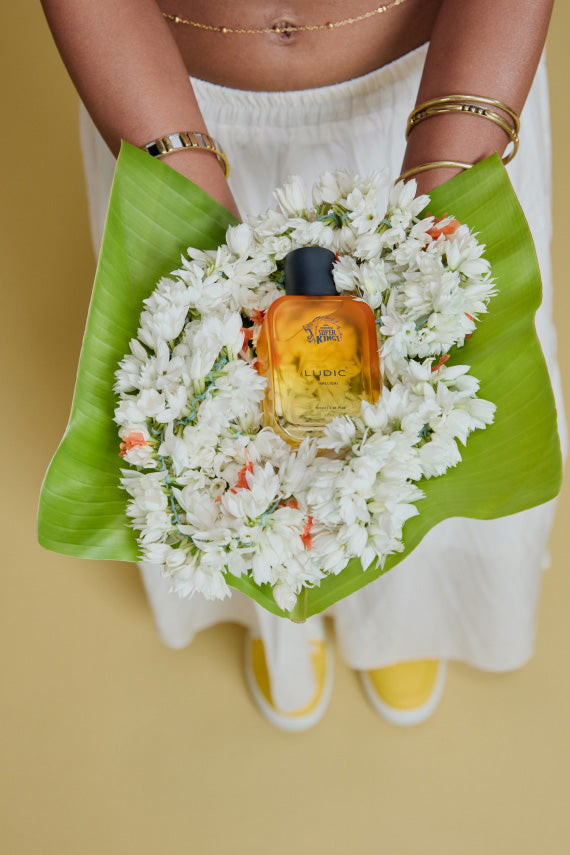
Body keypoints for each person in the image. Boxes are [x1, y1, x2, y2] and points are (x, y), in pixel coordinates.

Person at [41, 0, 565, 730]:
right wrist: (186, 208)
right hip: (165, 106)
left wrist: (436, 206)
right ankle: (274, 620)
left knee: (433, 422)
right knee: (213, 449)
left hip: (437, 95)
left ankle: (411, 617)